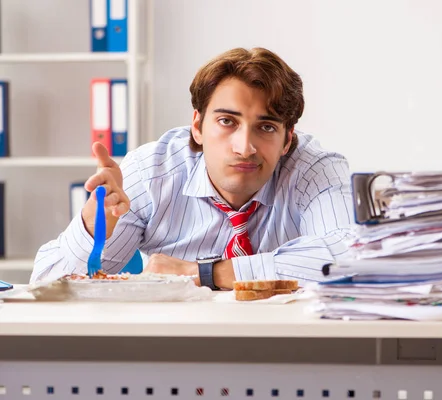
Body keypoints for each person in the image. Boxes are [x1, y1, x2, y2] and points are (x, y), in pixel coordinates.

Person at [31, 47, 354, 289]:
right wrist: (94, 221)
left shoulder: (314, 170)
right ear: (197, 126)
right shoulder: (151, 172)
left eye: (266, 127)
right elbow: (47, 284)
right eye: (227, 121)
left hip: (288, 354)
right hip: (173, 357)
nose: (245, 147)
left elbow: (352, 260)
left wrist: (203, 273)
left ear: (287, 140)